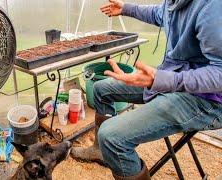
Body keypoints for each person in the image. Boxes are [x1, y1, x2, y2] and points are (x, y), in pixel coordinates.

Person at [71, 0, 222, 179]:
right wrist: (126, 9)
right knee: (100, 89)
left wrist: (164, 79)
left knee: (111, 136)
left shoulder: (211, 6)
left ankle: (109, 147)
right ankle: (100, 152)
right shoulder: (174, 3)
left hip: (206, 99)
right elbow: (160, 13)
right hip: (173, 79)